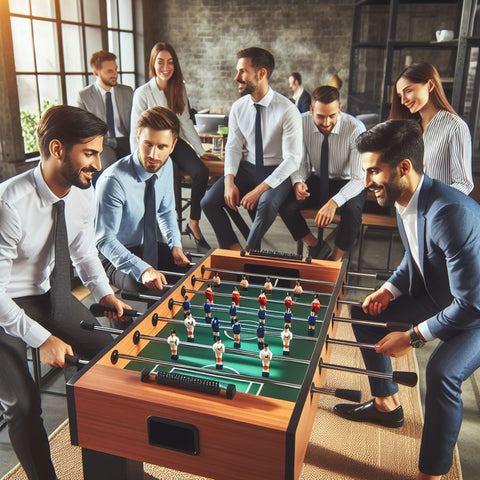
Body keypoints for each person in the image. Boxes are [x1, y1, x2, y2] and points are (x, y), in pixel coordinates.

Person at [333, 120, 480, 480]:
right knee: (364, 314)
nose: (367, 181)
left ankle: (432, 473)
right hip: (440, 297)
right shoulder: (405, 196)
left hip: (474, 313)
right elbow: (416, 255)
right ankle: (386, 404)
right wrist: (390, 289)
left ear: (403, 167)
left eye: (373, 171)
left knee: (442, 371)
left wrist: (413, 336)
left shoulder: (450, 213)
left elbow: (471, 303)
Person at [0, 105, 130, 480]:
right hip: (3, 305)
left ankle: (111, 469)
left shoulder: (81, 194)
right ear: (57, 149)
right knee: (23, 407)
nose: (98, 162)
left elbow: (83, 249)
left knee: (111, 358)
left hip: (44, 297)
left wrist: (103, 293)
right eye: (89, 153)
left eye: (99, 152)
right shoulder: (10, 204)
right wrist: (43, 340)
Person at [201, 47, 302, 251]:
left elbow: (292, 159)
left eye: (242, 71)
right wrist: (229, 182)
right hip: (249, 167)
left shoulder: (288, 110)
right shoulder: (238, 107)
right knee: (209, 201)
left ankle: (248, 255)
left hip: (278, 171)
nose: (237, 77)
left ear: (261, 73)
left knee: (265, 205)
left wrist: (258, 191)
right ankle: (233, 251)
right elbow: (233, 147)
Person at [130, 42, 218, 250]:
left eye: (170, 62)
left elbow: (185, 121)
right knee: (171, 181)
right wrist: (142, 161)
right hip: (154, 147)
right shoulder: (142, 93)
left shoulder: (179, 88)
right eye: (160, 62)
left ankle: (193, 223)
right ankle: (171, 236)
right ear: (153, 64)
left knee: (201, 172)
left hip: (175, 143)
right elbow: (137, 131)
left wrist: (200, 151)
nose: (165, 67)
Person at [95, 106, 190, 298]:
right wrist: (142, 269)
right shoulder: (113, 181)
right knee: (144, 285)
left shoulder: (166, 164)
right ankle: (123, 320)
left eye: (162, 147)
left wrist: (175, 245)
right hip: (113, 255)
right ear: (138, 137)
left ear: (173, 146)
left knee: (188, 272)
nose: (153, 155)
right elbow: (105, 240)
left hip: (147, 246)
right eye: (148, 144)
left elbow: (166, 211)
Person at [279, 85, 366, 260]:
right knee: (286, 206)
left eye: (332, 116)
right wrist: (298, 181)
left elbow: (359, 178)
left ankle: (335, 259)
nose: (326, 123)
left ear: (339, 108)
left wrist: (334, 202)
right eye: (320, 116)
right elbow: (301, 161)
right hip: (317, 178)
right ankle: (316, 245)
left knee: (352, 211)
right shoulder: (301, 122)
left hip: (348, 181)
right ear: (311, 110)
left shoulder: (355, 129)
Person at [389, 61, 473, 195]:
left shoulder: (455, 127)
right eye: (400, 96)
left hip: (438, 212)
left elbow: (464, 184)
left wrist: (434, 202)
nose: (403, 101)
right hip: (407, 211)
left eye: (408, 91)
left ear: (430, 85)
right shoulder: (408, 129)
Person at [76, 50, 133, 173]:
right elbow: (82, 129)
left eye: (116, 69)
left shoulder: (127, 92)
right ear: (96, 73)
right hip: (103, 142)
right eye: (109, 71)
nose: (115, 74)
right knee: (111, 171)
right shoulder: (84, 96)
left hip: (127, 140)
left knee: (137, 167)